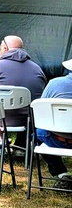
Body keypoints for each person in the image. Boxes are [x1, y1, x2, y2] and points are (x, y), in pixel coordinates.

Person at [0, 35, 47, 141]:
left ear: (5, 49)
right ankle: (21, 147)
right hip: (28, 121)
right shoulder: (37, 69)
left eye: (0, 49)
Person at [34, 58, 72, 190]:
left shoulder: (54, 84)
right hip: (57, 138)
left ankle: (60, 172)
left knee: (38, 133)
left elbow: (41, 112)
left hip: (55, 139)